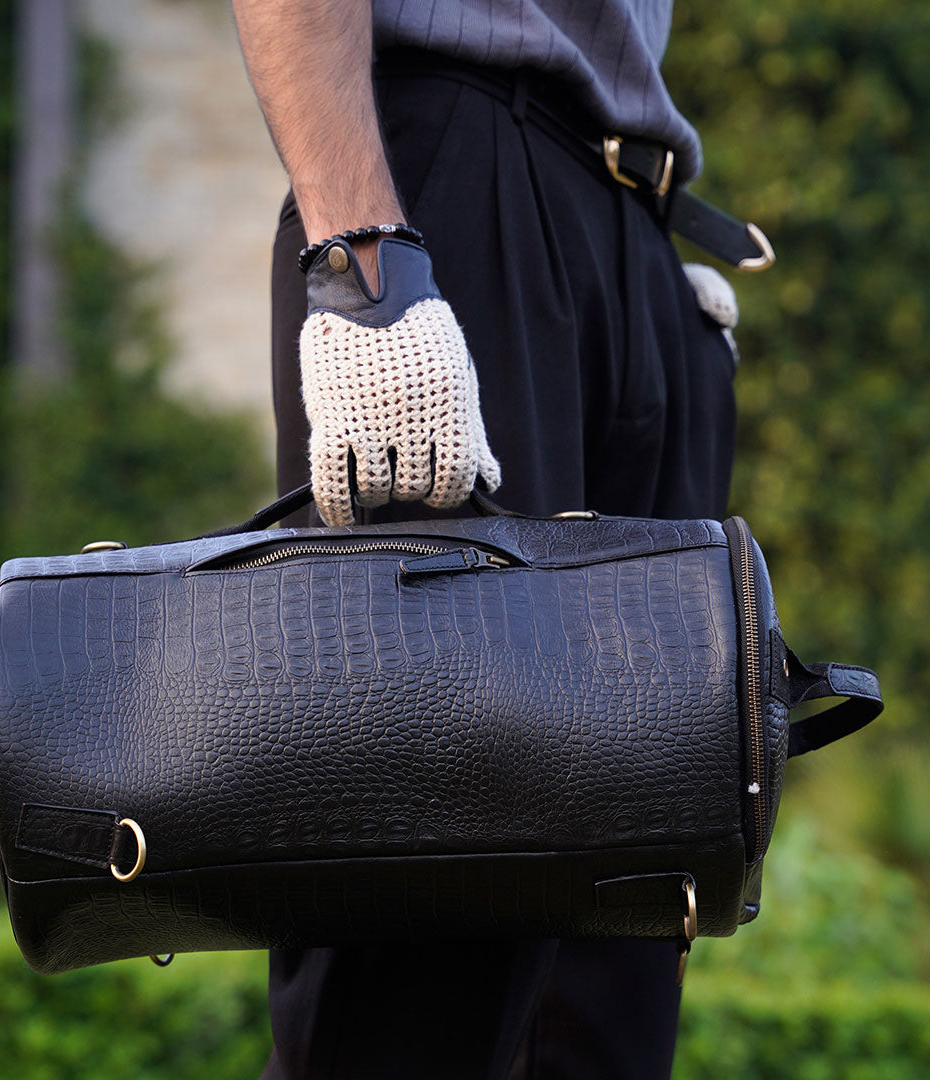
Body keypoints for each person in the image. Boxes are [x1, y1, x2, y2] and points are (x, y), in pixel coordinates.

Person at [231, 2, 747, 1076]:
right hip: (454, 202)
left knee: (615, 982)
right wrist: (360, 271)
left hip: (628, 233)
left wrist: (635, 277)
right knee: (415, 966)